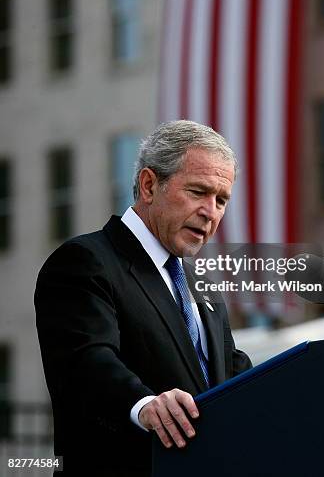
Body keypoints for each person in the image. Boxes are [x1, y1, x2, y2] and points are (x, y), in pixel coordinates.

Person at [34, 120, 252, 476]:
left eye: (221, 200)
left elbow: (229, 373)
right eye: (198, 192)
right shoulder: (86, 261)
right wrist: (144, 404)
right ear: (150, 185)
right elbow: (85, 362)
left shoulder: (201, 285)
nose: (211, 212)